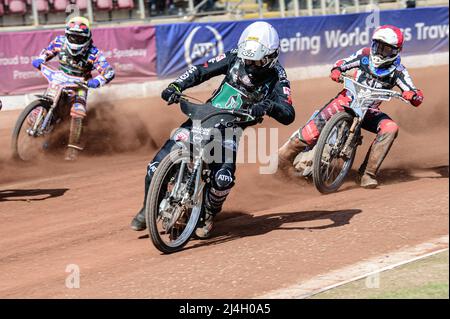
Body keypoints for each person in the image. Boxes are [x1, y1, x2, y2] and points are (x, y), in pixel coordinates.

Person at [130, 21, 295, 238]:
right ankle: (147, 207)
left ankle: (208, 213)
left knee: (223, 179)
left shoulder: (278, 77)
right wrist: (177, 86)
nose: (249, 64)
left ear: (270, 56)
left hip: (231, 128)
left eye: (255, 61)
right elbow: (201, 70)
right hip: (204, 116)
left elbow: (288, 114)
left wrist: (269, 105)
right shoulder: (235, 56)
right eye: (247, 58)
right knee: (155, 166)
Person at [278, 25, 424, 188]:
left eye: (386, 49)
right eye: (378, 46)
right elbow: (343, 63)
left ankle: (367, 173)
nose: (380, 51)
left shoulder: (399, 71)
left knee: (390, 128)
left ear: (396, 51)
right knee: (310, 132)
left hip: (370, 111)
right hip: (345, 100)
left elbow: (414, 92)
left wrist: (413, 96)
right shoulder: (364, 56)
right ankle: (284, 157)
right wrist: (337, 70)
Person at [31, 16, 115, 161]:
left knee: (78, 111)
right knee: (35, 114)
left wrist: (96, 81)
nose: (75, 40)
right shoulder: (60, 42)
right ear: (67, 34)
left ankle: (72, 148)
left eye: (79, 37)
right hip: (59, 79)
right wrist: (41, 59)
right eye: (73, 36)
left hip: (80, 85)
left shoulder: (93, 53)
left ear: (87, 37)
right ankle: (40, 124)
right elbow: (47, 51)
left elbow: (109, 72)